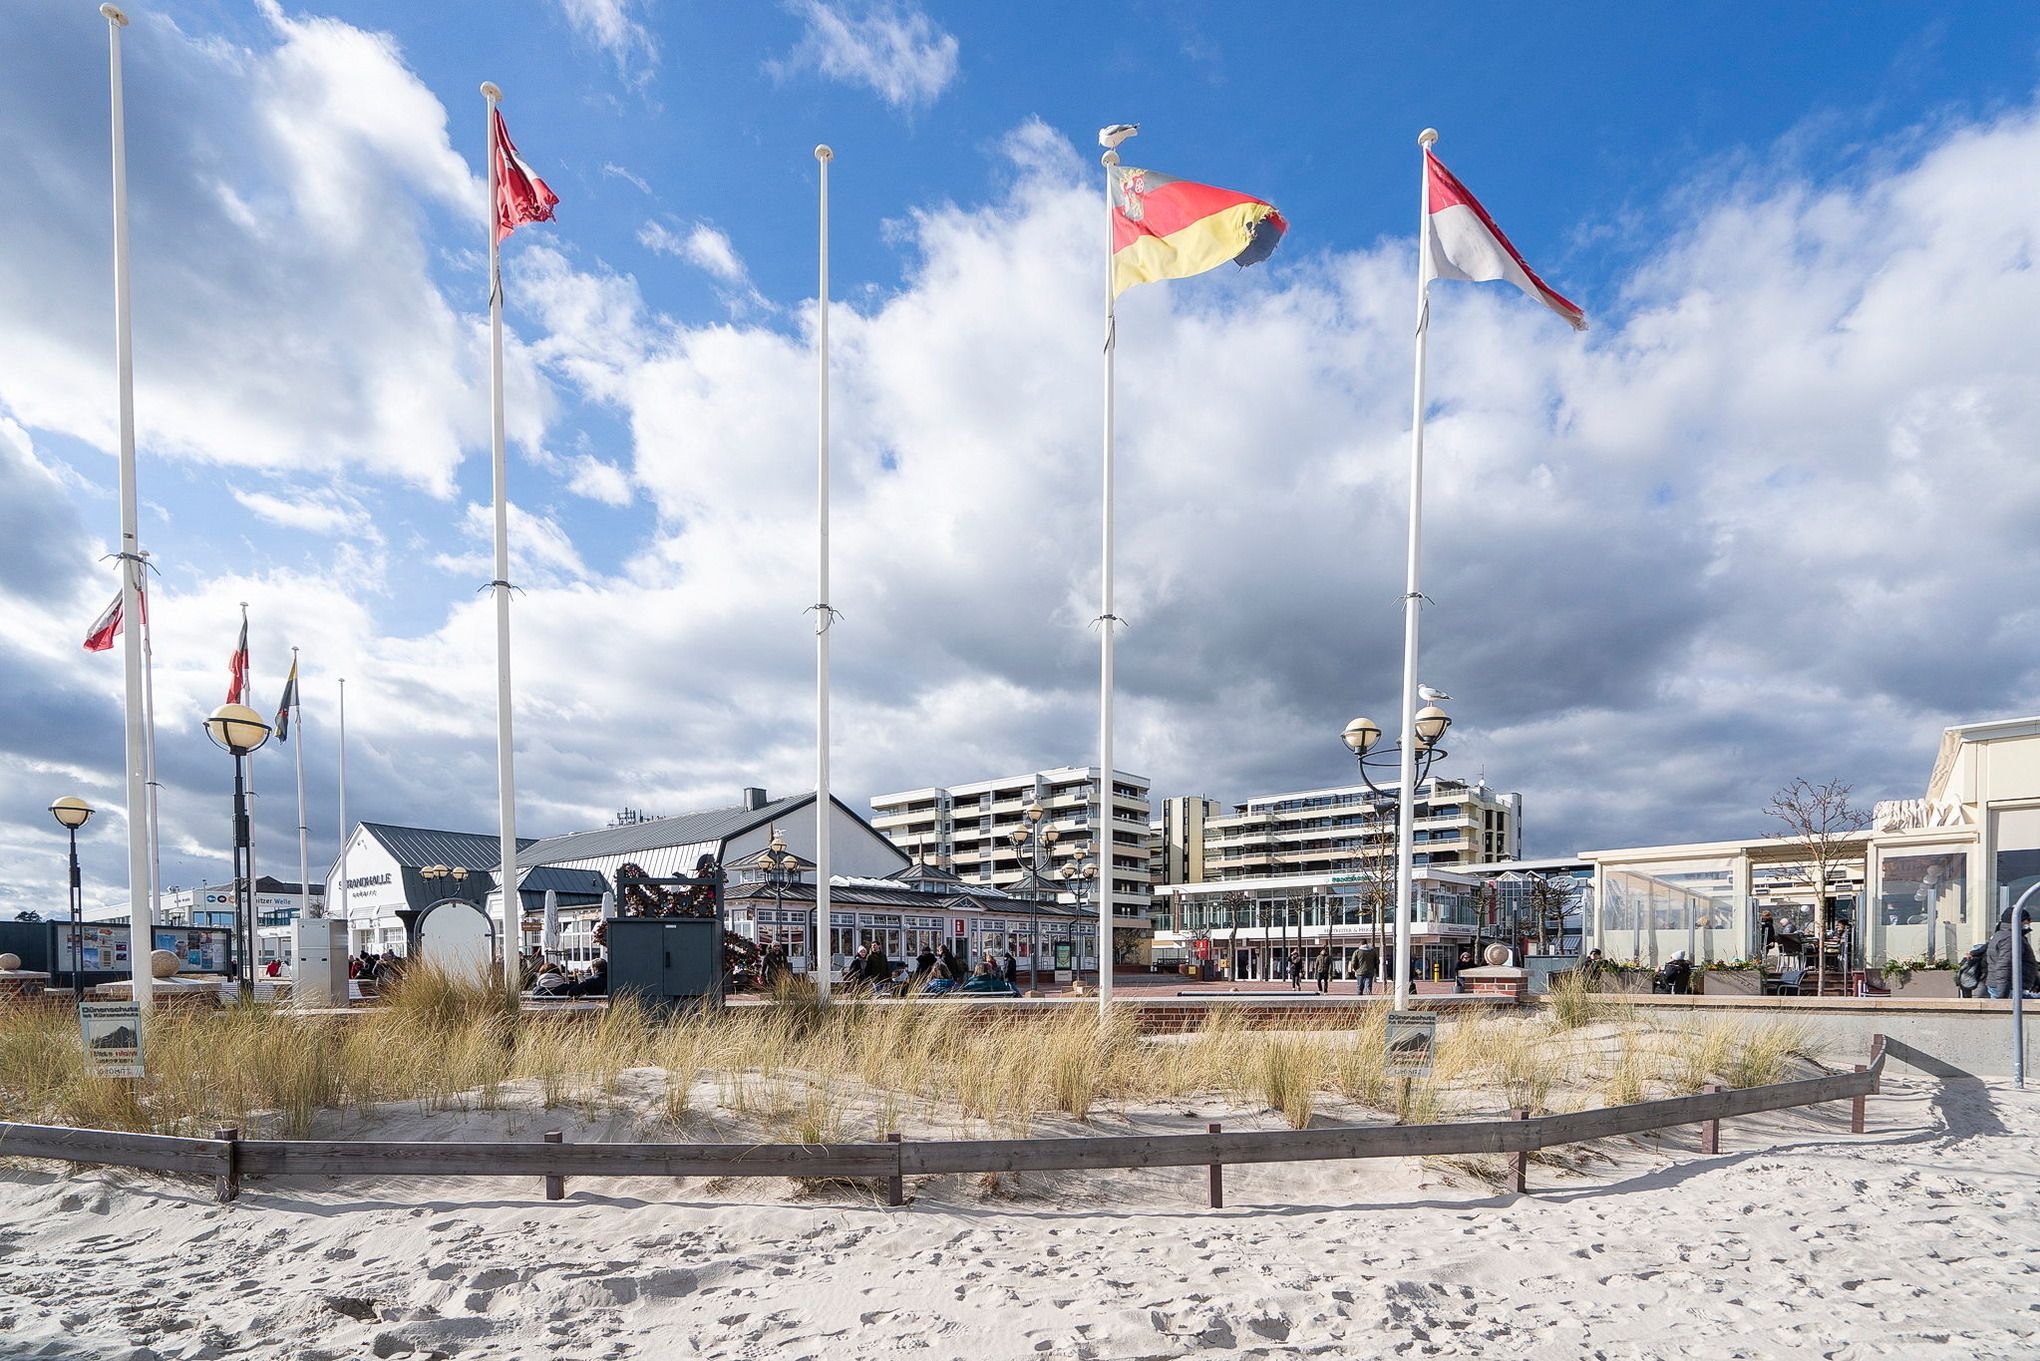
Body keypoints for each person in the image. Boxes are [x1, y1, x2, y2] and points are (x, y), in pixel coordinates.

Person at [1984, 907, 2039, 1000]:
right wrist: (2002, 996)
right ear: (2019, 921)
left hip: (2007, 986)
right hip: (2009, 988)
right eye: (2027, 920)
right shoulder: (2010, 939)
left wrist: (2035, 980)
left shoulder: (2004, 935)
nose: (2029, 923)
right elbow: (2004, 965)